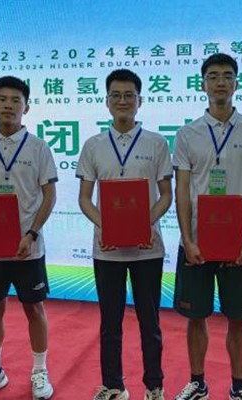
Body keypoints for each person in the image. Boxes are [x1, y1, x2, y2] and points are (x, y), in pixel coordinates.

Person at [173, 53, 242, 400]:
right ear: (202, 84)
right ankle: (197, 382)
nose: (220, 82)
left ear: (236, 83)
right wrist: (188, 240)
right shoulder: (187, 134)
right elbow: (182, 190)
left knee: (237, 317)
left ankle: (238, 386)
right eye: (213, 76)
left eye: (227, 76)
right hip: (197, 243)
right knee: (195, 316)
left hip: (237, 243)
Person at [76, 69, 173, 400]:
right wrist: (105, 228)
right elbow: (84, 199)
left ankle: (154, 386)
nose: (122, 101)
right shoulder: (93, 146)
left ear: (139, 100)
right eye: (116, 95)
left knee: (150, 322)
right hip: (107, 250)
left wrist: (146, 225)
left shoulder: (157, 143)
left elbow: (166, 195)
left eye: (129, 95)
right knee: (110, 323)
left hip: (148, 248)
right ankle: (113, 385)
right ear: (107, 101)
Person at [0, 76, 57, 400]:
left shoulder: (39, 147)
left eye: (16, 100)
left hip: (27, 248)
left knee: (34, 309)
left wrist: (31, 234)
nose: (8, 105)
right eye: (2, 99)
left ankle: (40, 371)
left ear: (26, 107)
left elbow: (49, 196)